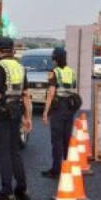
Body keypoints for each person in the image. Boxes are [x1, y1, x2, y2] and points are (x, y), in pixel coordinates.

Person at [0, 37, 32, 200]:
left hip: (2, 114)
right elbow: (26, 95)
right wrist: (28, 117)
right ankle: (22, 189)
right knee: (14, 151)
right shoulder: (20, 67)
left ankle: (7, 192)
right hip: (17, 112)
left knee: (3, 154)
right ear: (12, 49)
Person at [41, 47, 78, 179]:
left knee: (56, 140)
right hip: (70, 108)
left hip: (58, 108)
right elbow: (74, 90)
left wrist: (46, 112)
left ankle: (56, 170)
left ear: (55, 59)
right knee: (66, 138)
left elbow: (51, 93)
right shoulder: (71, 72)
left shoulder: (54, 72)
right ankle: (68, 166)